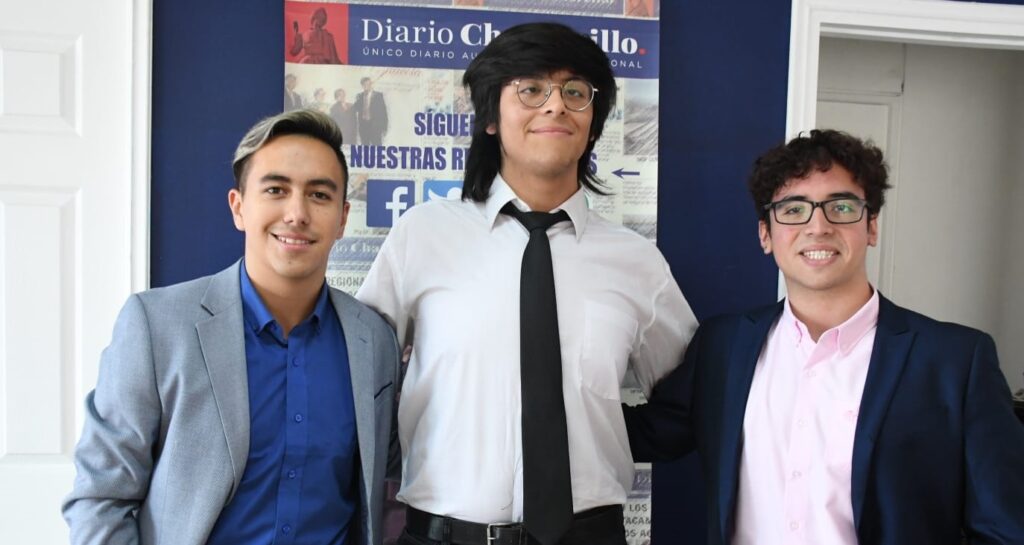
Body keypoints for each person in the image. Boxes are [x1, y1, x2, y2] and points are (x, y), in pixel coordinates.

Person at [357, 22, 697, 545]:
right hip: (444, 535)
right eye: (531, 89)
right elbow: (360, 382)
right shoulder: (422, 236)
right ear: (491, 117)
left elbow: (690, 401)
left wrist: (592, 426)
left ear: (593, 122)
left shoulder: (635, 261)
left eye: (575, 92)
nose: (556, 106)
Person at [625, 129, 1024, 545]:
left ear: (871, 226)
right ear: (766, 234)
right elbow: (648, 434)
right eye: (793, 209)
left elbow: (1005, 529)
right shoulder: (722, 347)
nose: (818, 226)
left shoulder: (956, 362)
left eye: (842, 207)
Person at [63, 110, 401, 545]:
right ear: (239, 207)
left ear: (342, 217)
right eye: (276, 190)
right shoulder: (157, 327)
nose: (297, 213)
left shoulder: (373, 340)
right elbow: (100, 498)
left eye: (319, 195)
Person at [354, 77, 388, 146]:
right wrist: (357, 100)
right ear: (362, 86)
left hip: (375, 126)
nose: (368, 86)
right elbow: (356, 108)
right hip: (363, 126)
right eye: (365, 84)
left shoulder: (378, 95)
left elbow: (383, 111)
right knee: (365, 147)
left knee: (377, 147)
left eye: (369, 84)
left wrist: (384, 127)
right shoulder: (360, 96)